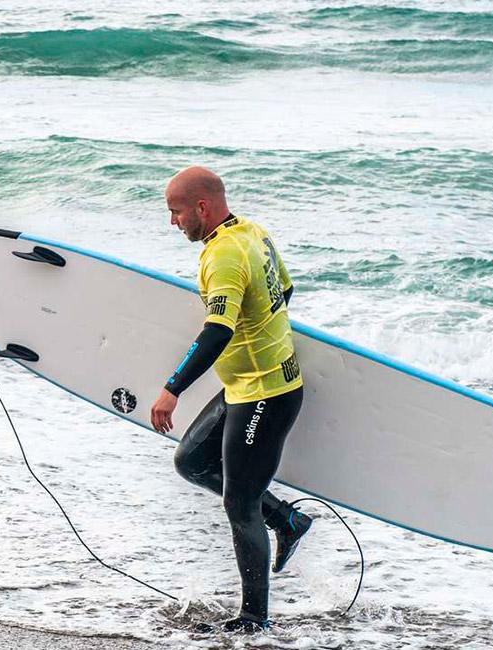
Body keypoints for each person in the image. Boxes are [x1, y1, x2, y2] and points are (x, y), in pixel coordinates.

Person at [148, 166, 311, 634]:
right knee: (192, 461)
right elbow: (286, 289)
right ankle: (287, 520)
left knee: (240, 502)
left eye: (176, 212)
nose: (173, 222)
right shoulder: (253, 231)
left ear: (202, 207)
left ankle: (254, 621)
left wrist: (172, 388)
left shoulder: (223, 255)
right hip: (246, 385)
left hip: (266, 392)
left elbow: (217, 330)